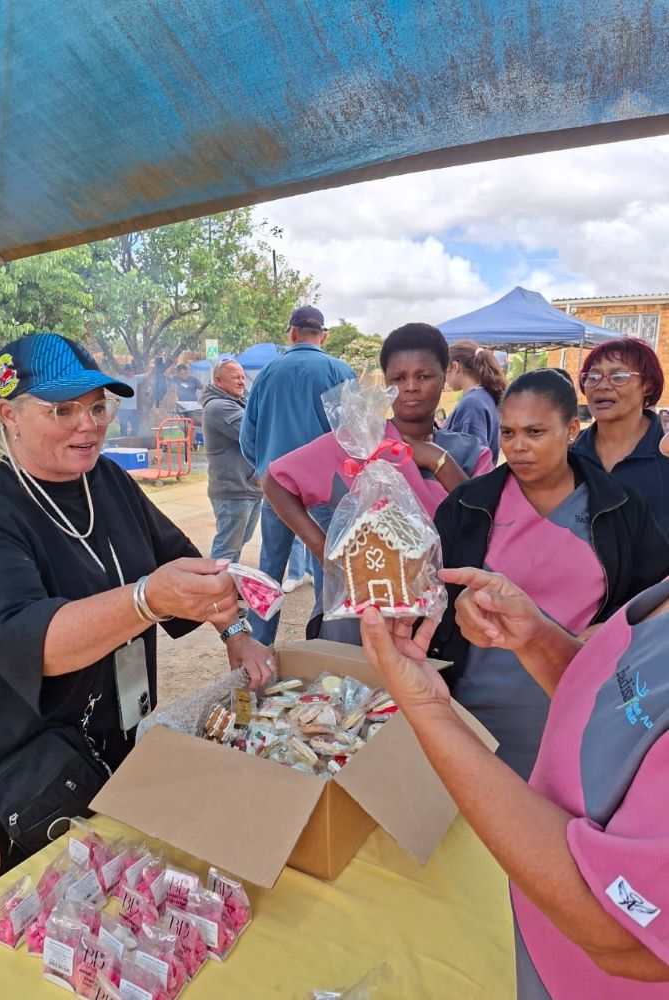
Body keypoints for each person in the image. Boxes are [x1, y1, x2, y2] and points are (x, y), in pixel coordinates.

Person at [0, 333, 275, 902]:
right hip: (20, 756)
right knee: (30, 907)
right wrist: (146, 600)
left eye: (97, 407)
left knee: (110, 898)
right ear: (8, 415)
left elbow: (184, 564)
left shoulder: (106, 480)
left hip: (114, 731)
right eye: (62, 409)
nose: (87, 424)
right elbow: (37, 641)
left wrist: (235, 631)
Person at [359, 558, 669, 997]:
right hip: (545, 940)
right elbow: (624, 710)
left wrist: (429, 711)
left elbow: (615, 927)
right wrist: (539, 641)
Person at [431, 369, 669, 779]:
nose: (518, 447)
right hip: (473, 705)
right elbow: (434, 593)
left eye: (535, 432)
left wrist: (610, 632)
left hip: (581, 706)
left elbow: (653, 599)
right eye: (508, 433)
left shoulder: (620, 508)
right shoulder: (468, 505)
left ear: (571, 430)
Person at [262, 323, 495, 641]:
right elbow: (275, 481)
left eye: (423, 376)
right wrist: (323, 550)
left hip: (434, 624)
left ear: (445, 377)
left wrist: (438, 460)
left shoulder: (468, 452)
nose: (410, 387)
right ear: (386, 383)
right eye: (398, 378)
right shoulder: (357, 441)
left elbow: (484, 519)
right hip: (353, 620)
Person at [239, 305, 356, 646]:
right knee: (327, 567)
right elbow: (355, 437)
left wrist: (266, 472)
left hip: (276, 491)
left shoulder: (268, 373)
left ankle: (259, 646)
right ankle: (324, 644)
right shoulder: (340, 371)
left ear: (291, 333)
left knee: (268, 570)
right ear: (324, 335)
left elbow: (248, 437)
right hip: (327, 493)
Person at [571, 336, 669, 538]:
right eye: (593, 376)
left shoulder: (665, 450)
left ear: (647, 385)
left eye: (618, 376)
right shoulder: (567, 452)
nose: (602, 386)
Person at [201, 359, 262, 563]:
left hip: (247, 486)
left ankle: (226, 588)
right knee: (226, 548)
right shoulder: (218, 407)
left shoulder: (239, 402)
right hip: (233, 489)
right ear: (219, 381)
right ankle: (214, 591)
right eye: (235, 377)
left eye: (243, 377)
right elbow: (254, 433)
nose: (241, 382)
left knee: (237, 544)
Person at [443, 339, 506, 462]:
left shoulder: (472, 404)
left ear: (455, 367)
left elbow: (470, 461)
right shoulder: (484, 397)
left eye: (445, 371)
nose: (444, 378)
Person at [118, 360, 150, 437]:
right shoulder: (119, 379)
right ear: (125, 371)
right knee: (123, 429)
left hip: (133, 409)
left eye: (132, 371)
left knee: (136, 428)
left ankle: (129, 440)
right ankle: (123, 445)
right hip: (122, 409)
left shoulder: (135, 378)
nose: (131, 372)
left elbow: (146, 375)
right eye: (129, 371)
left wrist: (151, 367)